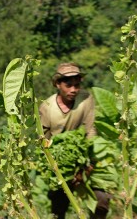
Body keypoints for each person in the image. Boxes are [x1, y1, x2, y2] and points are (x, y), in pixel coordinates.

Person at [39, 63, 110, 219]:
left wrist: (87, 167)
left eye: (77, 85)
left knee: (102, 201)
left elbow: (91, 130)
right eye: (68, 85)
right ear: (57, 84)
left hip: (86, 160)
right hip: (60, 165)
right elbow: (44, 140)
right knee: (58, 208)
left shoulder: (86, 99)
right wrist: (58, 168)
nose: (73, 90)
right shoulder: (47, 107)